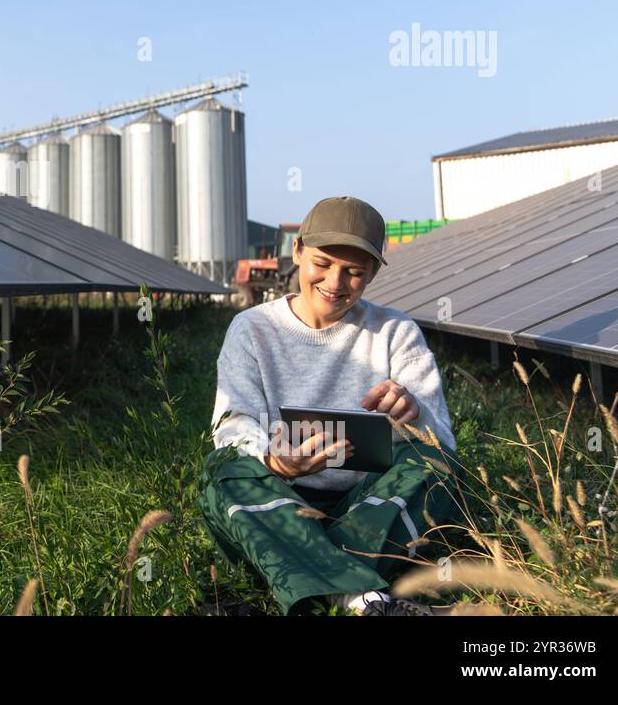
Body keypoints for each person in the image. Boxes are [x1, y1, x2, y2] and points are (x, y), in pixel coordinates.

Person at [198, 196, 465, 616]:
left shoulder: (396, 332)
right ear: (297, 252)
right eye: (322, 263)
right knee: (222, 472)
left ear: (373, 273)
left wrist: (412, 411)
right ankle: (364, 596)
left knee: (437, 465)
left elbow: (440, 439)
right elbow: (234, 426)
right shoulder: (252, 329)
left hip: (370, 504)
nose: (335, 282)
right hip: (280, 498)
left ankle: (309, 575)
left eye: (354, 272)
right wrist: (275, 461)